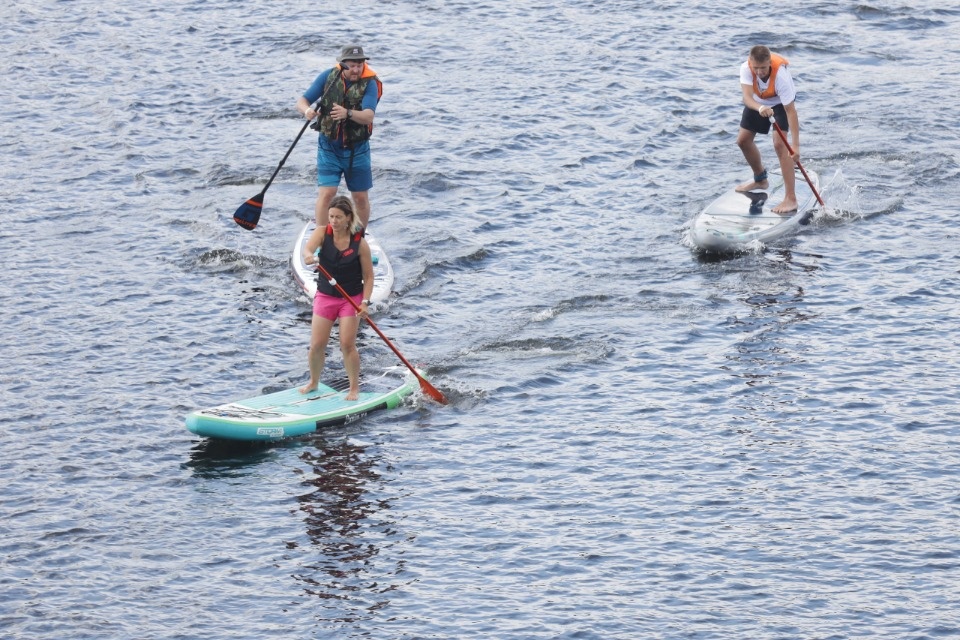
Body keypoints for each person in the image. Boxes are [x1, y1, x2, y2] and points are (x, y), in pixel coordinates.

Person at [295, 44, 383, 230]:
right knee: (328, 193)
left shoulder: (370, 83)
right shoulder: (328, 77)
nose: (357, 69)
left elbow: (368, 115)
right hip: (329, 148)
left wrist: (348, 113)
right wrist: (308, 111)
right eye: (352, 65)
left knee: (359, 197)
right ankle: (320, 237)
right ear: (342, 64)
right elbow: (302, 102)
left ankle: (359, 237)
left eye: (360, 65)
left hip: (357, 149)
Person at [300, 195, 375, 400]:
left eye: (338, 217)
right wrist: (308, 255)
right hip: (326, 296)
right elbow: (307, 249)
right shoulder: (323, 232)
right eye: (331, 216)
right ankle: (314, 382)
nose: (333, 221)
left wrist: (365, 303)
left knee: (347, 344)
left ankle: (353, 388)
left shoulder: (360, 244)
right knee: (317, 344)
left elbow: (368, 277)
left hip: (350, 299)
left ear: (349, 218)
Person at [735, 45, 802, 213]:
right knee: (743, 141)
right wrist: (760, 108)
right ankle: (760, 179)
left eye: (763, 68)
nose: (759, 72)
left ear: (769, 63)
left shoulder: (781, 76)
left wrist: (795, 146)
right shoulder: (746, 68)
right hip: (758, 104)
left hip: (780, 105)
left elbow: (791, 112)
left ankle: (791, 199)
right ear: (750, 63)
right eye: (755, 68)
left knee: (780, 145)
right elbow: (747, 98)